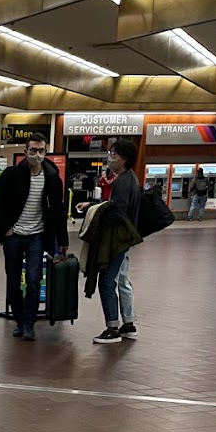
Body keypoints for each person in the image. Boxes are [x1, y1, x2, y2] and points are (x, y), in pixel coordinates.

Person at [0, 133, 68, 341]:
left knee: (33, 280)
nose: (37, 155)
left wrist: (62, 240)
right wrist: (5, 229)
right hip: (14, 236)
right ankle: (20, 321)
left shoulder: (52, 178)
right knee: (13, 282)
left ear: (45, 152)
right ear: (25, 152)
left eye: (41, 151)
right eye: (33, 151)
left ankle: (29, 324)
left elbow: (58, 211)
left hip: (37, 236)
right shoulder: (13, 175)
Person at [93, 138, 142, 345]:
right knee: (122, 279)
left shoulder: (123, 181)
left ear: (123, 158)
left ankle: (112, 327)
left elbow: (118, 212)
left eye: (113, 153)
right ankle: (128, 323)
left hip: (117, 239)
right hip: (126, 239)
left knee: (107, 281)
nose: (110, 157)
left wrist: (98, 215)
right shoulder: (130, 178)